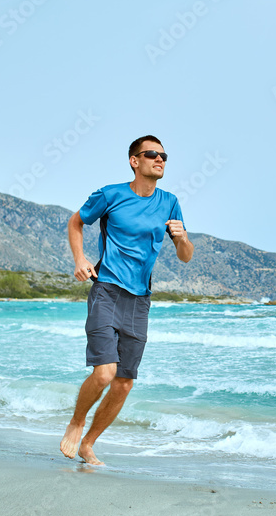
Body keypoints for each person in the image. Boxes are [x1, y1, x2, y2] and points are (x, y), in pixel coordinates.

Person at [59, 135, 194, 465]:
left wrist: (182, 238)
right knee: (105, 373)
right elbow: (76, 221)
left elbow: (186, 257)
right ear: (135, 161)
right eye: (152, 154)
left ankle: (89, 443)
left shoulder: (169, 202)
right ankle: (76, 423)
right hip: (106, 290)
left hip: (139, 301)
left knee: (123, 384)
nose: (159, 159)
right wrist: (80, 259)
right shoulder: (111, 195)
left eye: (163, 155)